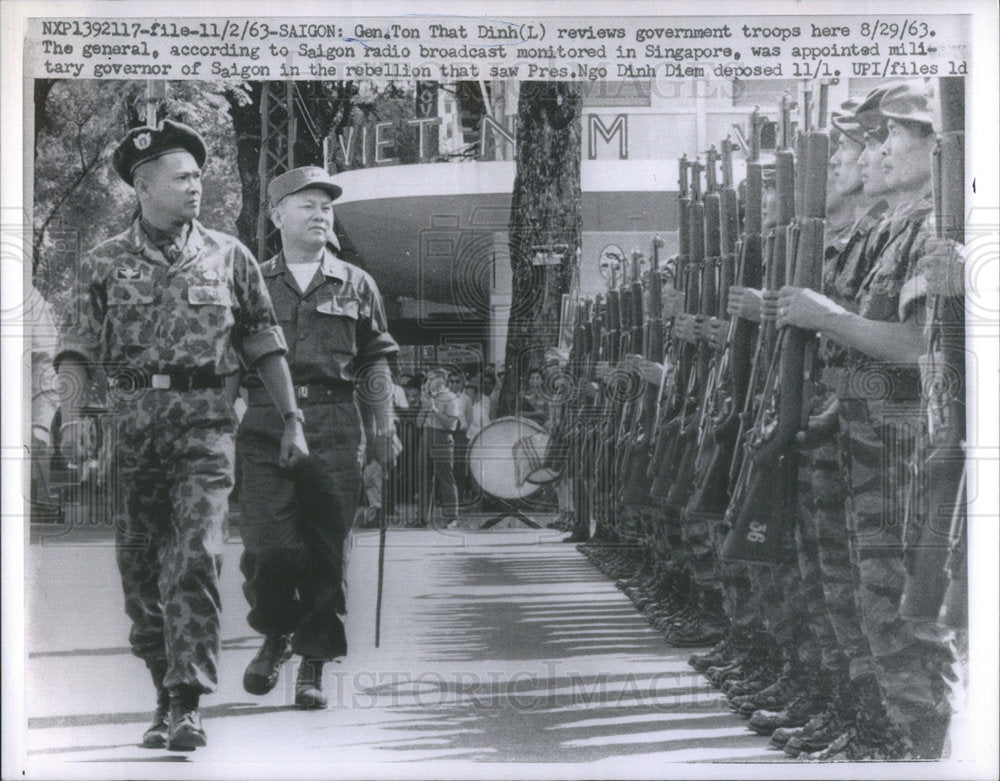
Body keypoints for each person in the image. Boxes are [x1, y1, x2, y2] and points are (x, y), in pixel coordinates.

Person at [54, 120, 307, 751]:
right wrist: (76, 415)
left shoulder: (229, 255)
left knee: (195, 557)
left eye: (200, 176)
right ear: (143, 185)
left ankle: (188, 703)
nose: (197, 186)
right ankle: (162, 694)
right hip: (132, 431)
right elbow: (76, 352)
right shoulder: (103, 261)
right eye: (183, 176)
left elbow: (263, 340)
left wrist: (292, 418)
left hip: (206, 426)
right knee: (141, 572)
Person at [775, 81, 953, 758]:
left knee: (897, 606)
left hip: (899, 449)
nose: (875, 151)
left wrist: (827, 317)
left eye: (889, 137)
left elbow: (911, 346)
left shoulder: (933, 231)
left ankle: (915, 740)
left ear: (933, 146)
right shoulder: (892, 231)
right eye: (871, 138)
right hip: (861, 440)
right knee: (855, 592)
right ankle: (873, 727)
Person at [236, 166, 398, 710]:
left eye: (326, 207)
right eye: (306, 205)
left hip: (334, 424)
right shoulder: (252, 281)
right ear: (276, 214)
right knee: (269, 547)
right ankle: (276, 632)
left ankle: (313, 663)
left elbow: (376, 360)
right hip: (265, 424)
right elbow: (229, 363)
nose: (319, 215)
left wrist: (383, 428)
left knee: (329, 550)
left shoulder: (358, 284)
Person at [415, 367, 462, 528]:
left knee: (445, 477)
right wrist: (425, 409)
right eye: (428, 379)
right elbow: (418, 423)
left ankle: (451, 518)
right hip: (427, 435)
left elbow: (451, 424)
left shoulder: (451, 398)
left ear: (441, 380)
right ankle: (422, 517)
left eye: (432, 379)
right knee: (424, 476)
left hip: (442, 436)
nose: (428, 382)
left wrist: (434, 409)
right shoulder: (427, 397)